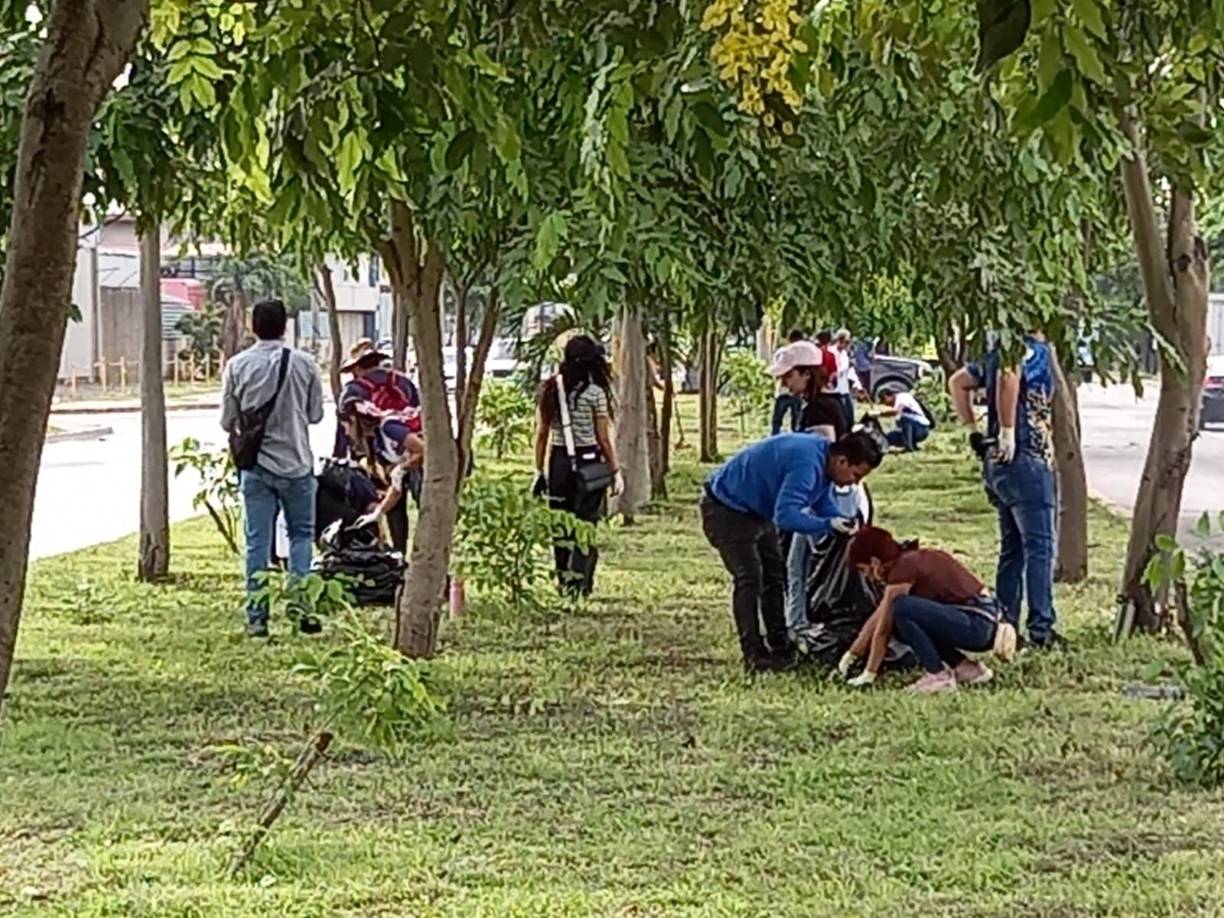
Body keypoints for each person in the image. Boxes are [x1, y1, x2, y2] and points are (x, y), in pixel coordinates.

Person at [701, 431, 884, 673]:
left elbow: (821, 501)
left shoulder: (825, 460)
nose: (854, 483)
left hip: (757, 511)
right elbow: (786, 516)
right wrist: (827, 524)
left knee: (775, 576)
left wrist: (840, 520)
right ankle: (753, 653)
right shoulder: (806, 464)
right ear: (842, 461)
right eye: (855, 475)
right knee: (749, 578)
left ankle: (780, 645)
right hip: (726, 507)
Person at [949, 333, 1063, 650]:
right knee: (1039, 547)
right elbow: (1009, 375)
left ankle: (1005, 625)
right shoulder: (1031, 349)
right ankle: (1042, 629)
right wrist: (1009, 432)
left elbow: (958, 382)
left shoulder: (992, 350)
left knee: (1011, 548)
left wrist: (973, 431)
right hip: (1027, 457)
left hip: (997, 465)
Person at [221, 299, 325, 638]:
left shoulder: (237, 366)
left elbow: (227, 421)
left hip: (256, 467)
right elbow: (315, 415)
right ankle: (301, 609)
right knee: (301, 536)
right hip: (297, 464)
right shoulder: (305, 364)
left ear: (253, 326)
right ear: (285, 327)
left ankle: (257, 618)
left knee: (257, 543)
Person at [840, 526, 1017, 693]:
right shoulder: (911, 559)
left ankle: (937, 675)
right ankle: (965, 668)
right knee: (901, 618)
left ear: (875, 562)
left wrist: (869, 673)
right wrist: (852, 654)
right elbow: (879, 615)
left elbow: (883, 628)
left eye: (864, 570)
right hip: (982, 620)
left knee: (901, 608)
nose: (868, 577)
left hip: (978, 623)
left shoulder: (903, 568)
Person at [532, 335, 623, 596]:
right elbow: (603, 438)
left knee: (561, 524)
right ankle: (581, 584)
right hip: (589, 462)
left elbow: (542, 434)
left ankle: (564, 580)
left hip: (558, 461)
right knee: (585, 525)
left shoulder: (550, 389)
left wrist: (539, 470)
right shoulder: (595, 394)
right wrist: (615, 470)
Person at [339, 398, 425, 553]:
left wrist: (402, 467)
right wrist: (378, 513)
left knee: (425, 507)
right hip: (412, 467)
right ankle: (400, 557)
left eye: (347, 426)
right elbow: (396, 487)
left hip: (428, 467)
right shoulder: (377, 445)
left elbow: (423, 450)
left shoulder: (389, 427)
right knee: (395, 512)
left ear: (356, 421)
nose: (346, 433)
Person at [333, 339, 420, 460]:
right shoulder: (403, 381)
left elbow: (344, 423)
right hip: (409, 441)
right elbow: (417, 407)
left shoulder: (352, 389)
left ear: (357, 368)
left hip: (372, 452)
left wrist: (339, 455)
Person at [770, 330, 808, 435]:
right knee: (795, 421)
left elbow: (777, 372)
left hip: (784, 392)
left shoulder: (782, 353)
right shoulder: (801, 356)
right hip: (794, 392)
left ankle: (775, 438)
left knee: (778, 420)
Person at [878, 387, 932, 452]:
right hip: (915, 428)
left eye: (884, 400)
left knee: (905, 420)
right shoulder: (898, 402)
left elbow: (894, 412)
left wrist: (879, 414)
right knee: (890, 437)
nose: (885, 404)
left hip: (922, 429)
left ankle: (909, 447)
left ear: (890, 396)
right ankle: (913, 445)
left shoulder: (901, 399)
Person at [832, 328, 864, 429]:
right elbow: (835, 370)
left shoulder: (844, 354)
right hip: (835, 390)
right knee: (839, 417)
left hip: (844, 389)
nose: (848, 345)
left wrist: (857, 385)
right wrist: (846, 367)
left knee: (850, 416)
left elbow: (849, 371)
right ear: (840, 341)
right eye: (846, 342)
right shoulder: (832, 353)